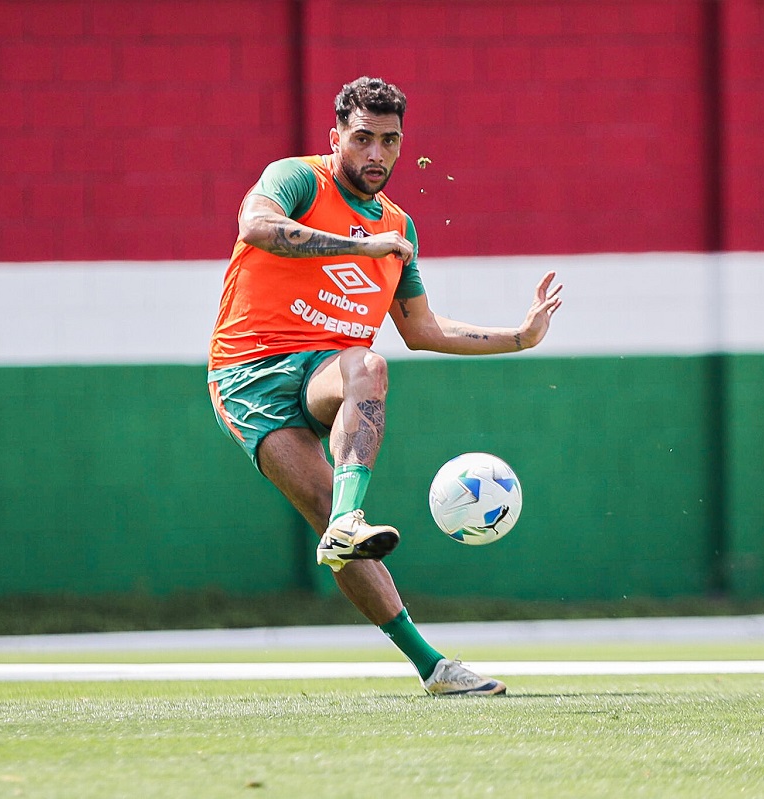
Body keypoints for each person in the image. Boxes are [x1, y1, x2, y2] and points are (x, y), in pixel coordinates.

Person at [207, 76, 562, 696]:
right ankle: (429, 660)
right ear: (336, 137)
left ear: (403, 145)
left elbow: (422, 329)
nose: (376, 153)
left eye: (390, 141)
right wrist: (358, 243)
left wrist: (519, 337)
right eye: (363, 138)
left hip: (326, 368)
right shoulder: (297, 178)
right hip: (250, 373)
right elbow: (256, 228)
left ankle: (354, 525)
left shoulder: (400, 229)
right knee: (321, 510)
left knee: (367, 365)